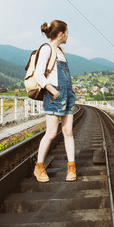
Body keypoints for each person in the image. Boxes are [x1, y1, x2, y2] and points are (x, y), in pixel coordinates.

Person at [32, 20, 77, 182]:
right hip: (54, 94)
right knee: (51, 133)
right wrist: (54, 92)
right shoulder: (46, 49)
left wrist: (70, 89)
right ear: (60, 33)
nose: (67, 35)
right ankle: (39, 167)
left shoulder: (60, 51)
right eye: (66, 32)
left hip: (67, 94)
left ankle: (71, 167)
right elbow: (39, 74)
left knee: (68, 132)